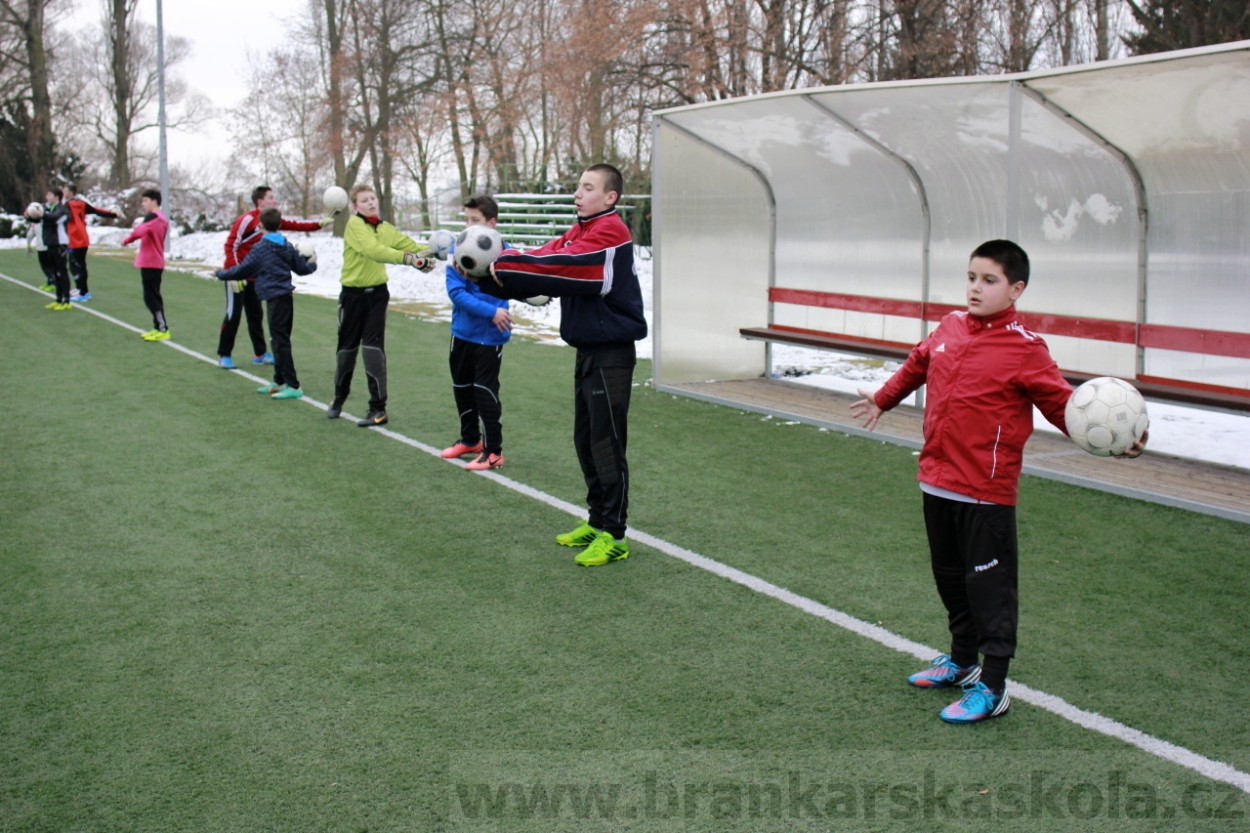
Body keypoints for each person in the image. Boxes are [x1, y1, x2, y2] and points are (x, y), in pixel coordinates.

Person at [850, 239, 1148, 724]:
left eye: (989, 280)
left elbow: (1062, 405)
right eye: (971, 277)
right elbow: (919, 362)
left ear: (1015, 289)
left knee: (990, 589)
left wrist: (1114, 438)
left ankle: (993, 686)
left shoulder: (1026, 349)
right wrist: (884, 398)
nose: (975, 288)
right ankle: (962, 662)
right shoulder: (949, 326)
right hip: (936, 478)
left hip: (986, 492)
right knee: (950, 580)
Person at [481, 164, 647, 567]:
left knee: (606, 445)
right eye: (578, 187)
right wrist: (488, 272)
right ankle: (597, 521)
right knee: (586, 440)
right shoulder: (582, 230)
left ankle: (615, 535)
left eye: (588, 187)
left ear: (610, 197)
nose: (578, 193)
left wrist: (505, 264)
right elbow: (548, 254)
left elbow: (564, 266)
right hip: (589, 351)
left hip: (611, 355)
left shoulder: (610, 232)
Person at [328, 184, 433, 427]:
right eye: (364, 200)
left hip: (377, 295)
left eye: (373, 198)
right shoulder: (354, 225)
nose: (371, 203)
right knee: (346, 352)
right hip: (352, 297)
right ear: (355, 206)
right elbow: (374, 251)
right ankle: (339, 397)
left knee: (373, 350)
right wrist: (410, 259)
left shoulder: (386, 228)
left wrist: (437, 250)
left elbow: (412, 246)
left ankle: (378, 409)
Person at [218, 186, 330, 369]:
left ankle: (260, 354)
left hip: (255, 278)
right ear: (260, 201)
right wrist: (235, 272)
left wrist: (319, 224)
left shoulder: (270, 220)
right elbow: (231, 245)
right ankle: (224, 354)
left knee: (256, 316)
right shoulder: (247, 220)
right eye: (271, 197)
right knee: (233, 315)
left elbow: (295, 225)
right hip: (236, 276)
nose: (275, 200)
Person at [441, 195, 514, 471]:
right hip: (462, 333)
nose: (469, 226)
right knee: (462, 387)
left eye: (475, 220)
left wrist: (536, 294)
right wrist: (490, 311)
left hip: (490, 336)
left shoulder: (506, 254)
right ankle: (471, 440)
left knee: (484, 390)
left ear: (491, 224)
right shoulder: (458, 250)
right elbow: (456, 293)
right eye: (466, 220)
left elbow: (519, 284)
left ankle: (494, 451)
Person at [214, 207, 317, 400]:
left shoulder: (261, 248)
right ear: (279, 224)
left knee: (280, 341)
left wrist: (221, 274)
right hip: (285, 298)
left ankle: (293, 385)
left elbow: (243, 269)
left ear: (260, 225)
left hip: (276, 300)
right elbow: (301, 268)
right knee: (277, 339)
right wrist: (313, 264)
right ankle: (279, 381)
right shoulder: (286, 244)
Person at [120, 189, 171, 341]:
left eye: (145, 201)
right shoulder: (162, 218)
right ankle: (158, 327)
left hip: (151, 262)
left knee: (151, 298)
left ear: (154, 201)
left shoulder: (152, 217)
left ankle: (163, 329)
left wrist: (126, 241)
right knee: (153, 295)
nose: (143, 204)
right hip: (155, 261)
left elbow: (139, 231)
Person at [62, 184, 119, 302]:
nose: (64, 192)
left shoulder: (66, 205)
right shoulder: (82, 204)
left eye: (66, 190)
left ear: (71, 192)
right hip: (82, 238)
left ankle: (83, 292)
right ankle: (81, 288)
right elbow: (97, 211)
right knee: (79, 265)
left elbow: (60, 219)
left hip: (73, 239)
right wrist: (113, 214)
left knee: (76, 266)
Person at [39, 190, 71, 310]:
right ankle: (58, 299)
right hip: (50, 243)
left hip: (59, 244)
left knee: (62, 271)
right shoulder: (48, 209)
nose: (47, 197)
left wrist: (41, 214)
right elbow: (39, 220)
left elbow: (54, 218)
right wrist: (30, 215)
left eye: (49, 195)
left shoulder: (62, 209)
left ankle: (66, 301)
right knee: (55, 271)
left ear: (57, 197)